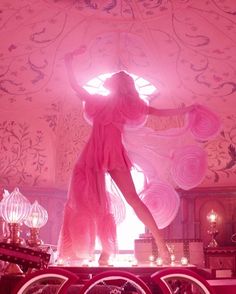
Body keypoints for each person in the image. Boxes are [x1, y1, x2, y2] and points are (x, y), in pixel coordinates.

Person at [57, 46, 195, 266]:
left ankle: (160, 244)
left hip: (111, 154)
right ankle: (103, 251)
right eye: (116, 79)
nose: (116, 81)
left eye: (119, 80)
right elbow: (76, 87)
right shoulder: (101, 101)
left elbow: (158, 112)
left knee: (131, 199)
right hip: (91, 156)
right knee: (87, 200)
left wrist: (186, 110)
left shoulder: (130, 104)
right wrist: (68, 61)